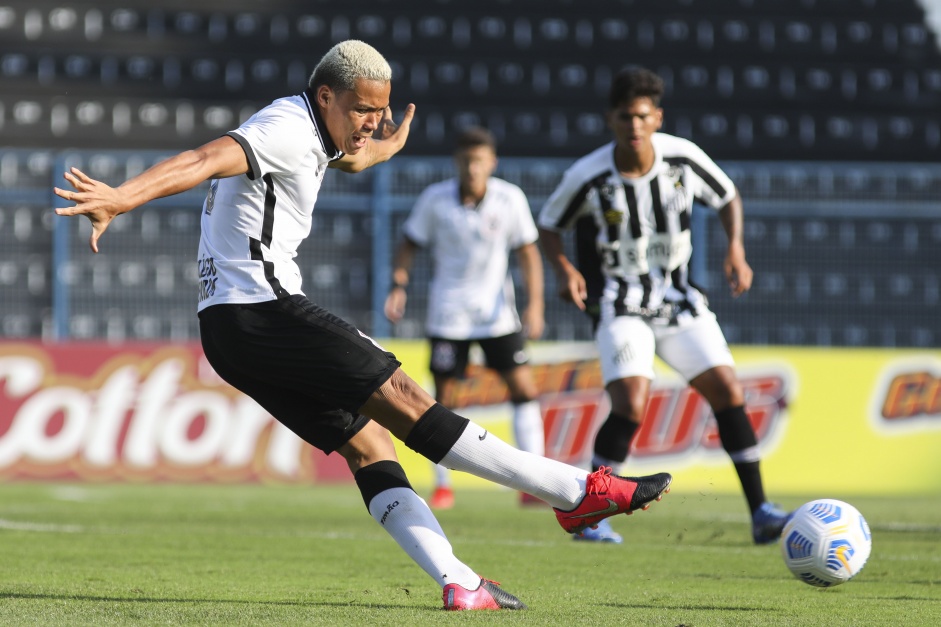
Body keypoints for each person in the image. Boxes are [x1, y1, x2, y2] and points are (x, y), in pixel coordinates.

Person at [54, 41, 673, 611]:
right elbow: (206, 157)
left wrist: (387, 144)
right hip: (263, 309)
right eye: (363, 109)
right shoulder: (286, 129)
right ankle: (574, 492)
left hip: (227, 333)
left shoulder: (316, 131)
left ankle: (460, 583)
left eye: (379, 109)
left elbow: (348, 160)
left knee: (370, 445)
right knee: (407, 400)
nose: (372, 120)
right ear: (326, 96)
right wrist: (123, 197)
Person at [537, 66, 790, 546]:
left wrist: (735, 247)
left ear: (657, 118)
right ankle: (589, 514)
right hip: (620, 302)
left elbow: (728, 195)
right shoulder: (588, 175)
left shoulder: (683, 158)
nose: (634, 125)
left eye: (643, 116)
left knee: (729, 392)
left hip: (678, 300)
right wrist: (565, 270)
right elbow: (549, 224)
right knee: (631, 404)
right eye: (625, 116)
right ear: (610, 119)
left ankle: (760, 512)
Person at [384, 126, 546, 511]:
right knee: (443, 400)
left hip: (497, 317)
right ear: (456, 163)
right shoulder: (435, 200)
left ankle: (536, 483)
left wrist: (535, 303)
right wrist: (398, 285)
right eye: (466, 161)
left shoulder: (510, 199)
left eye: (479, 161)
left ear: (492, 163)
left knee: (523, 389)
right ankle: (443, 486)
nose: (473, 169)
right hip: (448, 316)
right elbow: (409, 243)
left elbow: (527, 253)